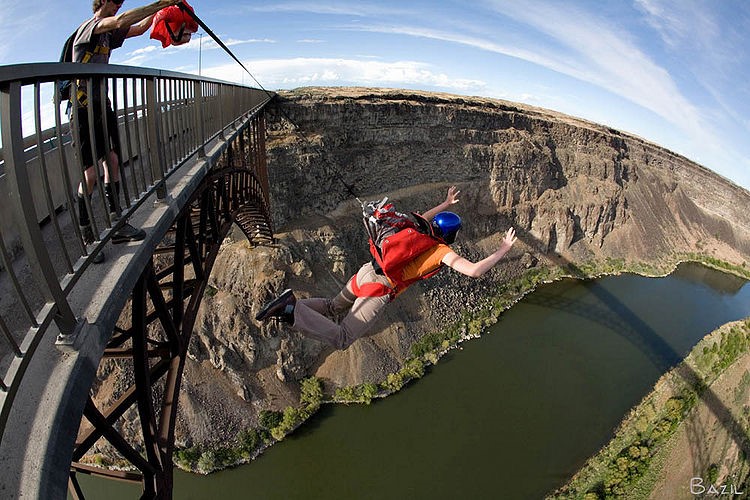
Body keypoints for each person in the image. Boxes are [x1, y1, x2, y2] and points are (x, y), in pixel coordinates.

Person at [255, 186, 518, 350]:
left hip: (366, 271)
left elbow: (426, 215)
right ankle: (291, 308)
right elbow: (473, 270)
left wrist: (446, 204)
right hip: (380, 288)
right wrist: (504, 249)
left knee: (332, 307)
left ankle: (290, 306)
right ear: (451, 235)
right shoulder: (441, 251)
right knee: (342, 339)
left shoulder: (416, 228)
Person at [70, 0, 181, 260]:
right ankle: (87, 236)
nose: (120, 4)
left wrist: (163, 13)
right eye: (116, 0)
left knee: (113, 161)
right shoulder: (90, 27)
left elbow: (139, 28)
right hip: (83, 108)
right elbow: (120, 22)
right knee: (90, 174)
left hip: (101, 106)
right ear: (103, 1)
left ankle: (117, 224)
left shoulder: (108, 34)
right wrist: (164, 2)